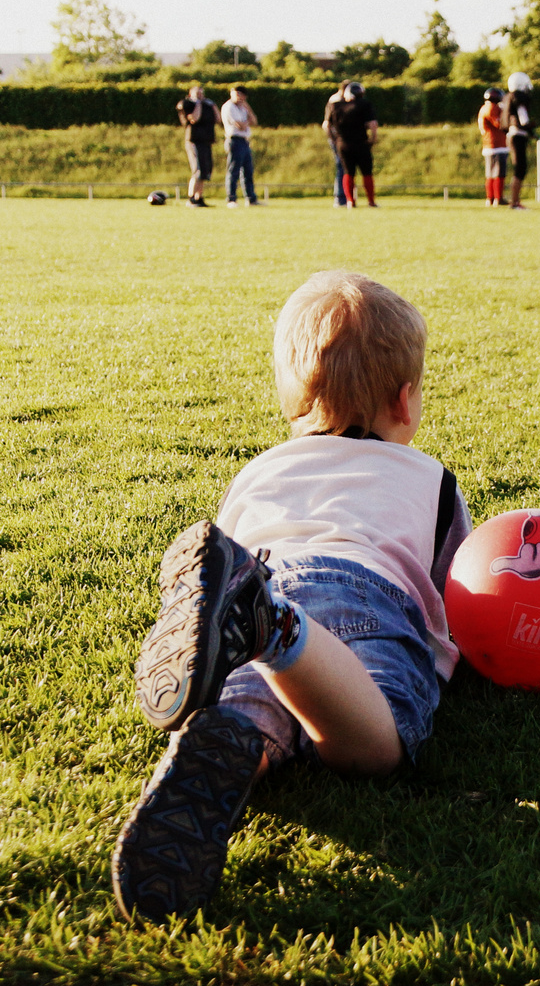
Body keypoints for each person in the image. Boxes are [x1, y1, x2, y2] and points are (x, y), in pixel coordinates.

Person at [111, 270, 474, 923]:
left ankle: (237, 736)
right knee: (376, 745)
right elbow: (461, 593)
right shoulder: (431, 478)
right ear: (407, 400)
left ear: (293, 396)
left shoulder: (262, 467)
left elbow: (227, 553)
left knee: (254, 707)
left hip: (268, 568)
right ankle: (276, 628)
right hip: (368, 589)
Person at [331, 82, 379, 207]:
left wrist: (334, 139)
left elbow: (327, 125)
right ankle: (371, 201)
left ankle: (350, 201)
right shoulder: (365, 105)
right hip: (361, 142)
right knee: (367, 172)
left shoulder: (336, 106)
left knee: (348, 172)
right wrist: (373, 138)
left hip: (343, 143)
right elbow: (372, 124)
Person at [176, 85, 221, 207]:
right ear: (191, 94)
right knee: (198, 169)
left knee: (205, 171)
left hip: (206, 140)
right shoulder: (187, 104)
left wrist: (213, 105)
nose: (200, 96)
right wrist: (198, 104)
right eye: (197, 93)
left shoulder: (208, 105)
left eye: (202, 93)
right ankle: (191, 198)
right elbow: (194, 118)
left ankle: (199, 197)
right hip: (194, 140)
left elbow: (218, 119)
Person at [221, 85, 261, 208]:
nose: (238, 97)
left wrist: (248, 108)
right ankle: (231, 198)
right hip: (234, 140)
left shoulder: (243, 108)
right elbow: (240, 125)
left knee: (248, 171)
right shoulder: (229, 107)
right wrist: (247, 122)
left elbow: (254, 121)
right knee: (233, 171)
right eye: (236, 94)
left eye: (241, 95)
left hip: (244, 141)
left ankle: (251, 198)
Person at [503, 72, 535, 209]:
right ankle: (515, 202)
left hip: (512, 135)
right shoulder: (519, 98)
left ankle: (515, 201)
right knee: (520, 169)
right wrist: (532, 128)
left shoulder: (508, 98)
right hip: (518, 136)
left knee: (519, 168)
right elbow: (523, 120)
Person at [322, 80, 353, 207]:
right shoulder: (336, 101)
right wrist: (334, 139)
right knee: (342, 166)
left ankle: (345, 197)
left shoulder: (338, 99)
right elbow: (327, 124)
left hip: (341, 137)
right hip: (338, 138)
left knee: (344, 166)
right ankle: (340, 197)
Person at [478, 87, 508, 206]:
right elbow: (500, 124)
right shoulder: (492, 108)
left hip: (488, 143)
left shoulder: (483, 108)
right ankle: (498, 198)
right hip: (496, 144)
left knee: (490, 174)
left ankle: (490, 198)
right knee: (499, 173)